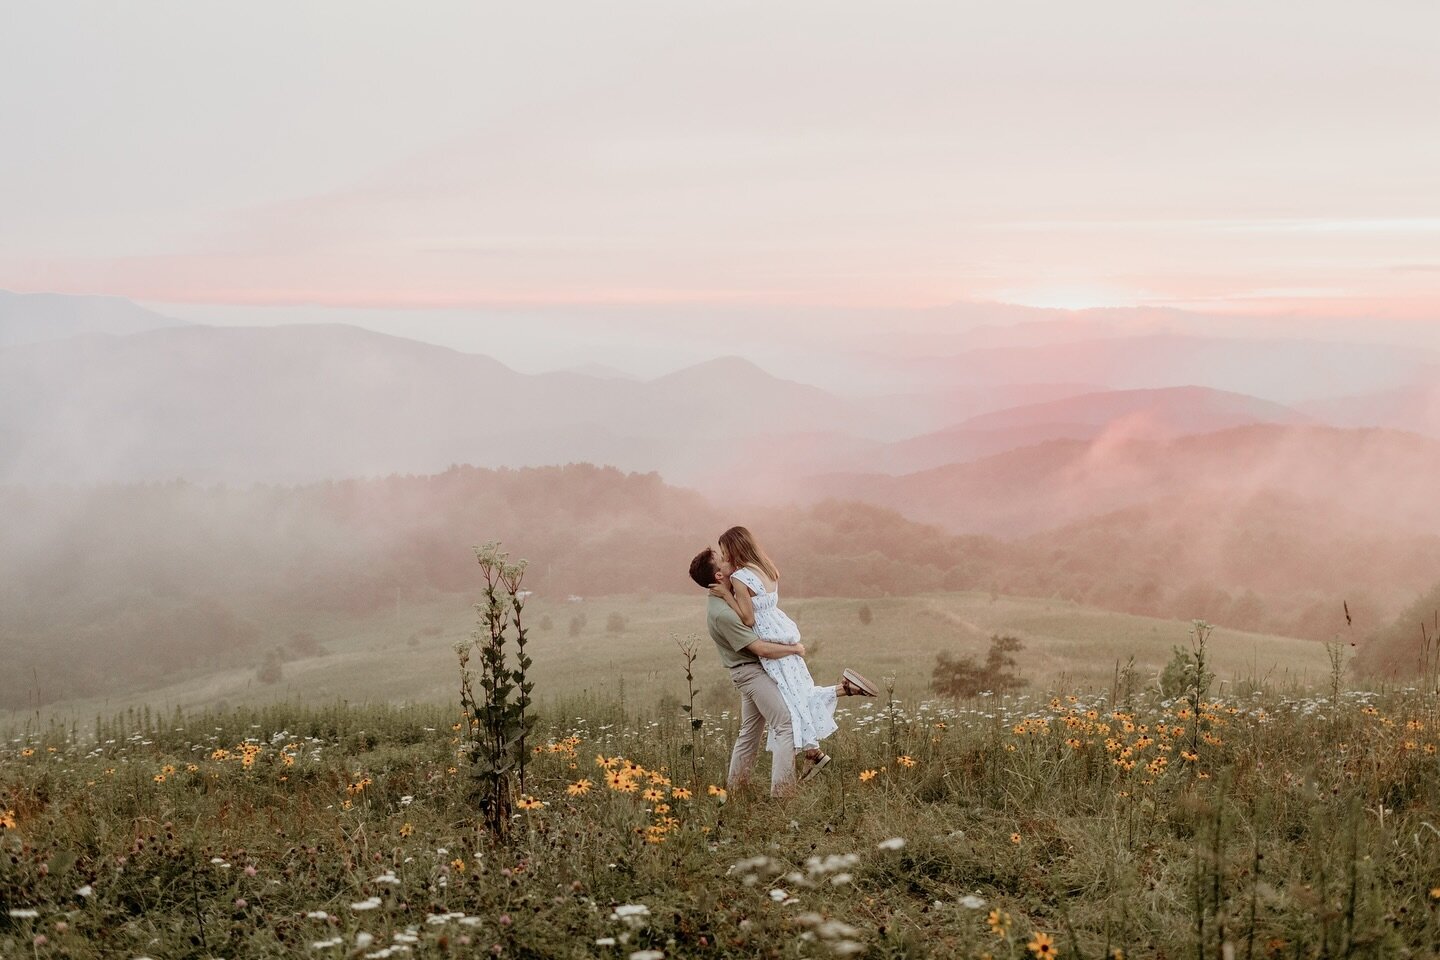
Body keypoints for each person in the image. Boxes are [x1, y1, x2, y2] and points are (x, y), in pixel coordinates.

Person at [709, 526, 879, 782]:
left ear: (734, 550)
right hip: (783, 630)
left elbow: (747, 618)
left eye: (724, 552)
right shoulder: (766, 569)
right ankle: (816, 744)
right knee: (796, 691)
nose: (724, 559)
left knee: (791, 701)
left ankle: (790, 781)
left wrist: (727, 595)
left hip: (767, 640)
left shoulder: (739, 578)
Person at [690, 546, 808, 797]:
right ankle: (783, 795)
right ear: (719, 576)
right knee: (785, 724)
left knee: (750, 733)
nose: (729, 559)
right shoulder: (722, 613)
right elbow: (759, 648)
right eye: (723, 560)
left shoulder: (726, 597)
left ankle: (735, 790)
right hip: (751, 673)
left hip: (750, 670)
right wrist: (794, 649)